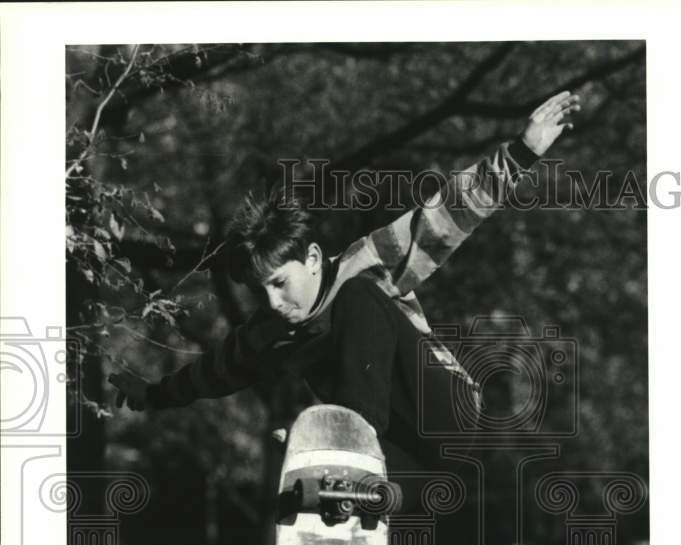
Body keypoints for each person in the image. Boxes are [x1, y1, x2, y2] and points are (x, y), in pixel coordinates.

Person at [110, 91, 580, 502]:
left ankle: (349, 446)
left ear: (313, 258)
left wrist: (521, 153)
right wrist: (152, 394)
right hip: (413, 469)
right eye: (259, 291)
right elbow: (215, 371)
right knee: (320, 483)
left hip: (448, 416)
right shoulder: (269, 332)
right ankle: (361, 495)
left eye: (280, 283)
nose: (273, 302)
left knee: (358, 297)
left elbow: (444, 217)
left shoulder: (368, 261)